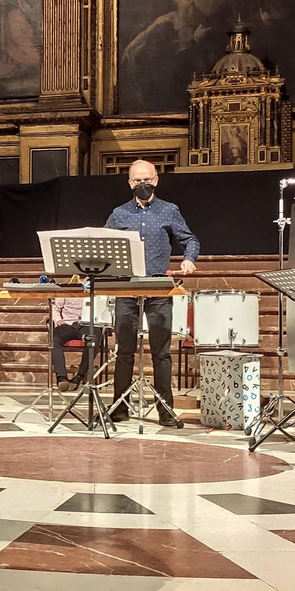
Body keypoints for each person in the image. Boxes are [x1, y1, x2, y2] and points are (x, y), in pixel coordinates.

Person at [104, 160, 199, 426]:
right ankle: (119, 408)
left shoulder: (169, 210)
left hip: (158, 288)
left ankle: (165, 410)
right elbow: (103, 245)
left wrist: (189, 258)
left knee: (162, 352)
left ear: (156, 180)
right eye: (137, 180)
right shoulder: (119, 213)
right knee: (124, 351)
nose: (142, 184)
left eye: (146, 179)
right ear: (130, 183)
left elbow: (190, 239)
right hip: (127, 288)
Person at [50, 292, 105, 392]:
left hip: (87, 324)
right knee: (54, 339)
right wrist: (58, 320)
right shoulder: (67, 289)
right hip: (67, 324)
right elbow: (55, 308)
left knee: (93, 339)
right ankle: (61, 377)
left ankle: (80, 376)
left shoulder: (94, 290)